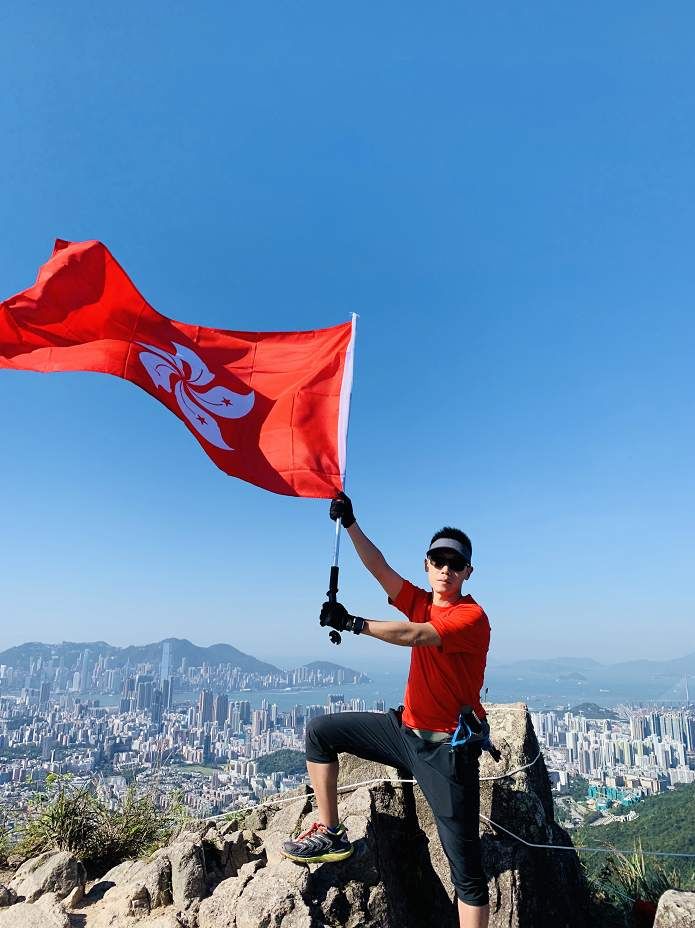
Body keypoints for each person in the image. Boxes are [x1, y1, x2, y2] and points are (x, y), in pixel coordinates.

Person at [281, 492, 491, 928]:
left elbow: (414, 635)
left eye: (456, 563)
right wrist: (352, 522)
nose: (446, 569)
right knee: (321, 732)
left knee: (466, 871)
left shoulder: (471, 617)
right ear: (427, 565)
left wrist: (354, 623)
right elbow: (380, 570)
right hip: (405, 732)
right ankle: (332, 832)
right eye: (438, 560)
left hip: (444, 750)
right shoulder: (422, 599)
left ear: (468, 571)